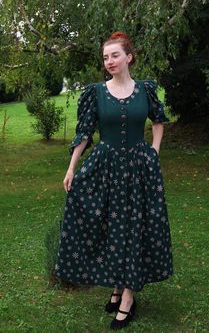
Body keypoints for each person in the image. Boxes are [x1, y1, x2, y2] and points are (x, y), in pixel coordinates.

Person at [54, 31, 174, 331]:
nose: (109, 61)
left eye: (115, 55)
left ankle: (128, 299)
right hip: (105, 168)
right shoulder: (95, 93)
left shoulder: (146, 90)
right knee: (110, 227)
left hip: (138, 170)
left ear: (128, 57)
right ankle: (119, 286)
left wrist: (154, 154)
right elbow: (84, 133)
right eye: (106, 57)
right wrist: (71, 169)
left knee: (135, 227)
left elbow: (158, 122)